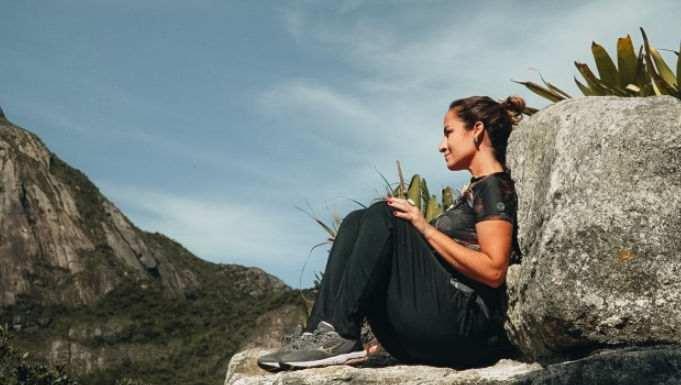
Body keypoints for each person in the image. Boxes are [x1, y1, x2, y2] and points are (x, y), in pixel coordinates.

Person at [258, 95, 526, 371]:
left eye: (449, 133)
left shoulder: (493, 188)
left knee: (387, 214)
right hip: (433, 328)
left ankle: (340, 334)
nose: (441, 146)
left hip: (466, 330)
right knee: (355, 220)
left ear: (477, 130)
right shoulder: (476, 189)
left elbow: (494, 271)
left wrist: (424, 228)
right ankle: (320, 332)